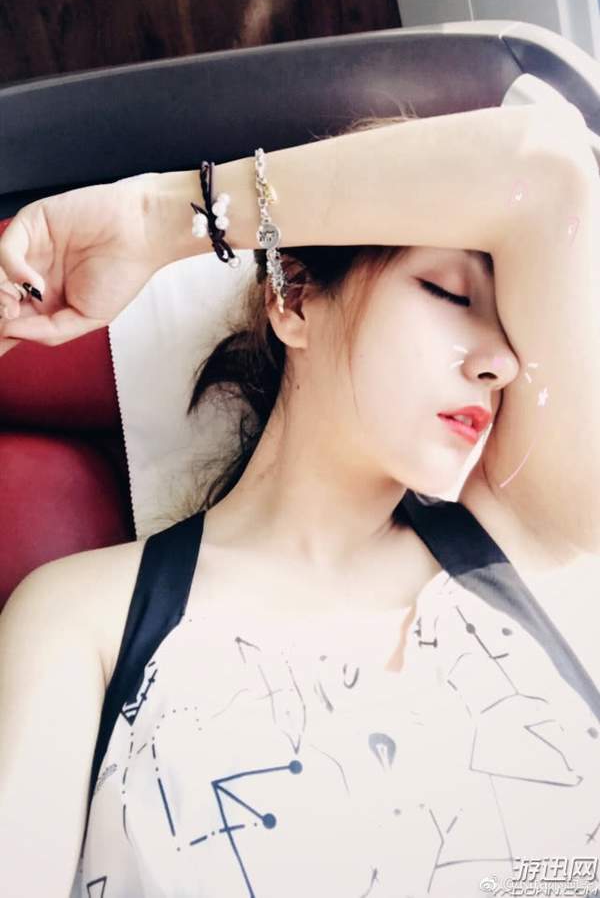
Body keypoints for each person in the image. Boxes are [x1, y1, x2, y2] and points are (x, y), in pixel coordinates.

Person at [0, 103, 599, 897]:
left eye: (510, 330)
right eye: (449, 293)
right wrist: (149, 221)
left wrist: (162, 219)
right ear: (293, 297)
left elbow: (552, 173)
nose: (501, 362)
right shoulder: (87, 620)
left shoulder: (532, 535)